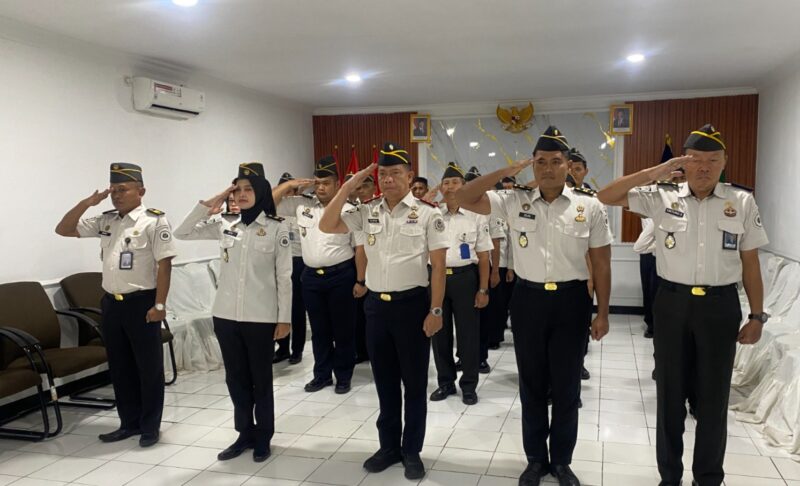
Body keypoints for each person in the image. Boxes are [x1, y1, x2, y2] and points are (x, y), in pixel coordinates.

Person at [598, 124, 769, 486]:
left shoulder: (740, 202)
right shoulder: (661, 196)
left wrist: (757, 316)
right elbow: (605, 195)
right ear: (683, 164)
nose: (704, 167)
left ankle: (707, 477)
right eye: (695, 161)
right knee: (670, 396)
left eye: (712, 160)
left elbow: (750, 263)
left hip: (720, 306)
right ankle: (670, 477)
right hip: (672, 304)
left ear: (724, 163)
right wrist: (654, 172)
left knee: (713, 398)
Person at [457, 126, 613, 486]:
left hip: (572, 301)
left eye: (555, 161)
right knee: (531, 383)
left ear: (568, 165)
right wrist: (508, 172)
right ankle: (534, 460)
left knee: (566, 385)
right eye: (540, 162)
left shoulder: (588, 206)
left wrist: (602, 312)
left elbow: (602, 263)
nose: (547, 168)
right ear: (532, 166)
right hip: (527, 300)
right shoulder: (513, 201)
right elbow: (465, 197)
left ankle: (561, 461)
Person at [319, 142, 448, 480]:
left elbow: (438, 267)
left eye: (395, 173)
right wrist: (349, 185)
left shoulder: (428, 213)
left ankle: (411, 451)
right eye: (383, 174)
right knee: (386, 383)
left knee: (415, 384)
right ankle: (389, 446)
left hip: (413, 306)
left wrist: (436, 310)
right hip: (376, 308)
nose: (388, 179)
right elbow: (326, 224)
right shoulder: (367, 210)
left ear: (409, 176)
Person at [174, 162, 292, 463]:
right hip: (226, 316)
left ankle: (264, 436)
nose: (240, 194)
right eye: (236, 189)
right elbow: (183, 232)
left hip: (261, 317)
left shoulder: (277, 228)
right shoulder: (225, 224)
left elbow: (283, 277)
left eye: (248, 189)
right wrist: (213, 201)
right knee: (235, 379)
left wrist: (284, 318)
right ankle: (244, 433)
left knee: (261, 379)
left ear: (262, 192)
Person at [55, 163, 176, 448]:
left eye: (123, 189)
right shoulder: (106, 220)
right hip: (111, 304)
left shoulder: (154, 221)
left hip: (142, 303)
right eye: (113, 191)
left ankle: (149, 426)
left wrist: (160, 303)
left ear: (141, 191)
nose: (117, 196)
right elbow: (63, 229)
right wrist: (87, 202)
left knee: (148, 369)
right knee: (120, 368)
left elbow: (165, 265)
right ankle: (128, 423)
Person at [273, 156, 363, 394]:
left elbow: (360, 248)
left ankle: (343, 375)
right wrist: (288, 187)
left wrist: (360, 280)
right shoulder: (302, 204)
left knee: (343, 330)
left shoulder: (349, 209)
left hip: (341, 275)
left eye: (326, 183)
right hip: (311, 276)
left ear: (337, 184)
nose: (321, 187)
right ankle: (322, 375)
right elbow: (266, 204)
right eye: (318, 182)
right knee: (320, 331)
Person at [429, 163, 491, 406]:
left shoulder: (477, 215)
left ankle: (469, 386)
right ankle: (445, 383)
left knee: (468, 335)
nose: (450, 187)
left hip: (466, 278)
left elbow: (484, 256)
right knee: (439, 333)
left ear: (464, 186)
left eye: (455, 182)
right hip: (436, 278)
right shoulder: (432, 213)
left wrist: (483, 289)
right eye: (446, 183)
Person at [273, 172, 314, 364]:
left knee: (297, 308)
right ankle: (282, 348)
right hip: (278, 262)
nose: (289, 193)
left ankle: (297, 349)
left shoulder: (304, 204)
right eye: (286, 188)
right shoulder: (274, 205)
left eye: (292, 189)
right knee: (280, 308)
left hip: (299, 261)